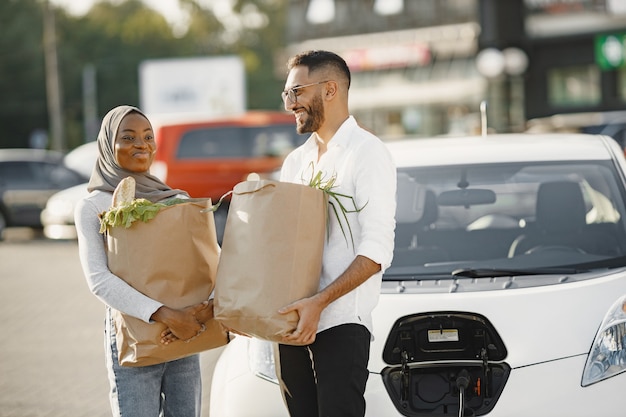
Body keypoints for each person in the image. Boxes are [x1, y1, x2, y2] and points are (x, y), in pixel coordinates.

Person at [277, 50, 397, 417]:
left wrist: (320, 302)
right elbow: (281, 245)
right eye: (287, 95)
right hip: (290, 325)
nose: (290, 104)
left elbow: (376, 250)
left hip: (341, 322)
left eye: (296, 92)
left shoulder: (367, 153)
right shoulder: (295, 162)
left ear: (330, 89)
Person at [74, 105, 212, 417]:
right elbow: (99, 279)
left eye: (148, 136)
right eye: (129, 137)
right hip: (135, 331)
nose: (142, 144)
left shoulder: (176, 199)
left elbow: (203, 263)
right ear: (109, 145)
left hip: (184, 332)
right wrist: (165, 315)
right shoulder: (94, 205)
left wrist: (200, 311)